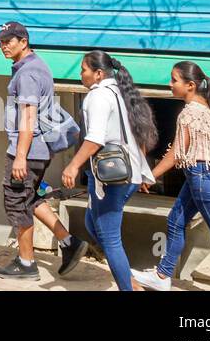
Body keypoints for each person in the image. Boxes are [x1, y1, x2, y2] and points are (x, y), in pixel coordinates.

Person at [132, 62, 210, 291]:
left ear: (190, 85)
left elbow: (177, 153)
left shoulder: (189, 114)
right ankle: (162, 275)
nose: (169, 84)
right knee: (175, 221)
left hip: (201, 179)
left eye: (174, 80)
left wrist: (150, 176)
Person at [0, 21, 87, 280]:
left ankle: (26, 263)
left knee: (16, 199)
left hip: (27, 151)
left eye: (9, 41)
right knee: (30, 197)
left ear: (24, 42)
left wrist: (20, 156)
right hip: (37, 150)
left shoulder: (28, 74)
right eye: (1, 41)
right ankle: (68, 242)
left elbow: (28, 118)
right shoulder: (34, 66)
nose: (4, 46)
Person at [60, 50, 158, 291]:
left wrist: (73, 166)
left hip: (112, 178)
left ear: (98, 73)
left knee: (109, 237)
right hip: (125, 174)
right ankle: (130, 281)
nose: (80, 74)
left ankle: (129, 287)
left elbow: (95, 139)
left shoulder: (99, 96)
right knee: (93, 222)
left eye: (83, 70)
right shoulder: (120, 93)